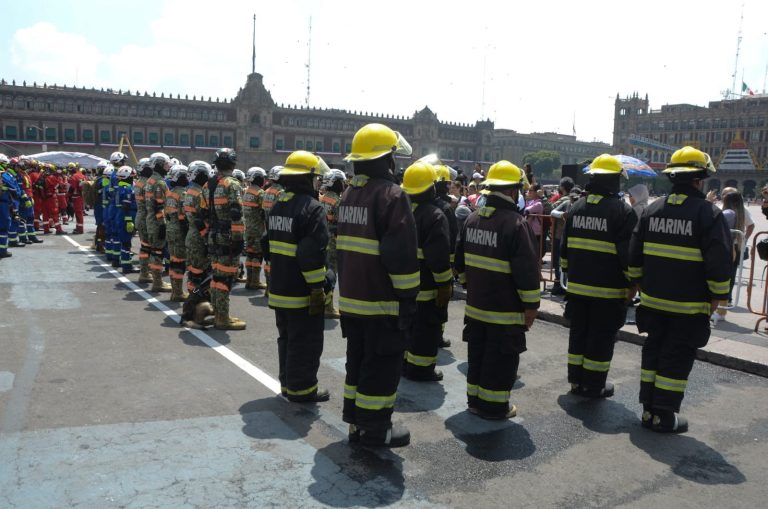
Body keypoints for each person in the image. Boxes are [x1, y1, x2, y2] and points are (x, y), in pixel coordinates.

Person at [628, 146, 731, 433]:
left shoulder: (652, 210)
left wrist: (638, 284)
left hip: (652, 303)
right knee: (676, 359)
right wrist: (717, 298)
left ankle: (648, 410)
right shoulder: (709, 214)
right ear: (698, 180)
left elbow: (634, 255)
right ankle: (663, 415)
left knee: (653, 353)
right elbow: (719, 262)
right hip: (689, 307)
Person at [338, 123, 418, 447]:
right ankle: (375, 430)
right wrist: (408, 298)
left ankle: (356, 423)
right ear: (386, 159)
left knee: (357, 362)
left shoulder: (349, 194)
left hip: (352, 300)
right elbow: (400, 255)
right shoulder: (392, 196)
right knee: (382, 365)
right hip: (382, 302)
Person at [455, 160, 539, 420]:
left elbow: (459, 265)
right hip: (505, 312)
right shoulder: (516, 224)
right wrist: (531, 307)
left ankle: (474, 401)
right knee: (501, 359)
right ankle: (494, 407)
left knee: (477, 355)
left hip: (475, 308)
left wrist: (470, 286)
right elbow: (527, 272)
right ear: (512, 191)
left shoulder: (472, 219)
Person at [560, 154, 637, 398]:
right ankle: (593, 385)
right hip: (608, 292)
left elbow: (564, 249)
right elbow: (627, 256)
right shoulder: (623, 211)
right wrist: (633, 283)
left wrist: (568, 273)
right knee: (600, 339)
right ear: (614, 180)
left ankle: (576, 381)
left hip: (577, 288)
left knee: (578, 335)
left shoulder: (575, 208)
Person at [262, 150, 331, 402]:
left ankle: (288, 385)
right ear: (307, 178)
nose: (317, 182)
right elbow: (310, 253)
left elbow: (266, 244)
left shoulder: (278, 204)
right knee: (305, 342)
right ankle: (302, 390)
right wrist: (317, 287)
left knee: (287, 338)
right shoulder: (312, 208)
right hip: (301, 292)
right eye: (315, 178)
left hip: (279, 287)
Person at [400, 161, 452, 382]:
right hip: (426, 288)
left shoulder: (398, 211)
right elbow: (438, 258)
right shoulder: (434, 215)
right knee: (425, 330)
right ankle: (421, 370)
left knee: (406, 328)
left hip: (401, 286)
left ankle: (404, 364)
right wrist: (445, 284)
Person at [208, 148, 247, 330]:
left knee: (216, 276)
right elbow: (236, 213)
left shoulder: (210, 183)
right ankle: (222, 318)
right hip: (228, 236)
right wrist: (238, 239)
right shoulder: (232, 184)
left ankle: (217, 313)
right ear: (233, 163)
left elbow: (204, 212)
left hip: (214, 235)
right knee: (225, 278)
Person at [712, 190, 746, 324]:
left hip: (722, 249)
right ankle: (721, 311)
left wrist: (709, 203)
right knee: (724, 280)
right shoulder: (738, 213)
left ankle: (719, 311)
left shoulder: (728, 213)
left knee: (718, 278)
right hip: (730, 248)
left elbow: (713, 223)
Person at [319, 168, 346, 318]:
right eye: (341, 182)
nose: (343, 184)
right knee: (331, 274)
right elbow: (341, 225)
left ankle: (322, 303)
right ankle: (328, 307)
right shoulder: (338, 201)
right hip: (333, 243)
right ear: (335, 183)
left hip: (322, 240)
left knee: (323, 272)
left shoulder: (322, 198)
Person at [145, 152, 173, 293]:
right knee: (157, 252)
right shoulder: (159, 182)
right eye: (166, 164)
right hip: (157, 221)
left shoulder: (151, 179)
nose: (168, 167)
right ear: (160, 165)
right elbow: (159, 205)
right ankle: (158, 282)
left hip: (151, 219)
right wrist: (162, 224)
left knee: (155, 251)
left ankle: (157, 280)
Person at [184, 161, 212, 296]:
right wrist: (207, 238)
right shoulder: (200, 193)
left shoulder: (189, 191)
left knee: (193, 271)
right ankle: (197, 299)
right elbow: (200, 219)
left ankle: (193, 297)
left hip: (192, 234)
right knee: (200, 272)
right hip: (199, 237)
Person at [165, 164, 190, 301]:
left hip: (170, 229)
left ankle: (175, 291)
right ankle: (178, 293)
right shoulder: (183, 194)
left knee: (173, 260)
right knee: (180, 262)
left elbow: (167, 213)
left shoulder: (170, 193)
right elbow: (183, 217)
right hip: (179, 231)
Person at [242, 167, 268, 290]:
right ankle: (255, 281)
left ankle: (249, 280)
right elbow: (264, 211)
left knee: (250, 254)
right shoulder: (260, 193)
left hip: (248, 228)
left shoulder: (247, 191)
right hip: (258, 229)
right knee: (257, 255)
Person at [549, 177, 575, 295]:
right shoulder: (566, 202)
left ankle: (564, 284)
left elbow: (550, 207)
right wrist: (562, 214)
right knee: (559, 262)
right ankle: (560, 283)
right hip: (561, 236)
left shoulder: (580, 205)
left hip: (570, 238)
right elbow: (552, 211)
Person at [115, 165, 137, 274]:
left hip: (121, 216)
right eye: (132, 176)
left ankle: (125, 264)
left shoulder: (120, 187)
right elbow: (126, 206)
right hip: (126, 217)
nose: (133, 178)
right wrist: (129, 221)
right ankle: (127, 266)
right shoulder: (127, 189)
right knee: (126, 243)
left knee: (125, 242)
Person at [524, 184, 544, 257]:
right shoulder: (532, 202)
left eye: (530, 190)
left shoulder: (538, 203)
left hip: (536, 232)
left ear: (536, 192)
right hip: (531, 231)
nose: (528, 192)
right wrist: (527, 200)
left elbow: (526, 211)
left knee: (534, 253)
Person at [68, 163, 86, 234]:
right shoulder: (82, 175)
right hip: (81, 196)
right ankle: (78, 227)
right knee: (79, 212)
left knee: (78, 213)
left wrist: (68, 195)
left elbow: (72, 187)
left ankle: (80, 229)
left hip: (76, 196)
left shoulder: (74, 176)